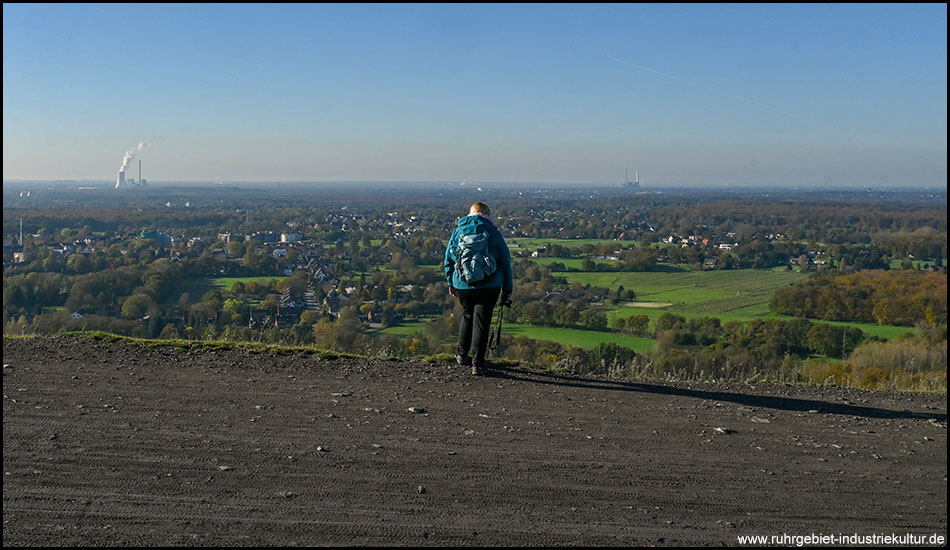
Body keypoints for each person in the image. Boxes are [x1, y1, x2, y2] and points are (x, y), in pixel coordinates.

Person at [444, 202, 513, 375]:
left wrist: (451, 282)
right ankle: (478, 364)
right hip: (490, 284)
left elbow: (449, 258)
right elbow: (505, 261)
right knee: (482, 323)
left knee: (467, 316)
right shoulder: (493, 232)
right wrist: (507, 288)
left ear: (470, 213)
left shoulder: (458, 231)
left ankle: (461, 355)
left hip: (463, 284)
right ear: (488, 214)